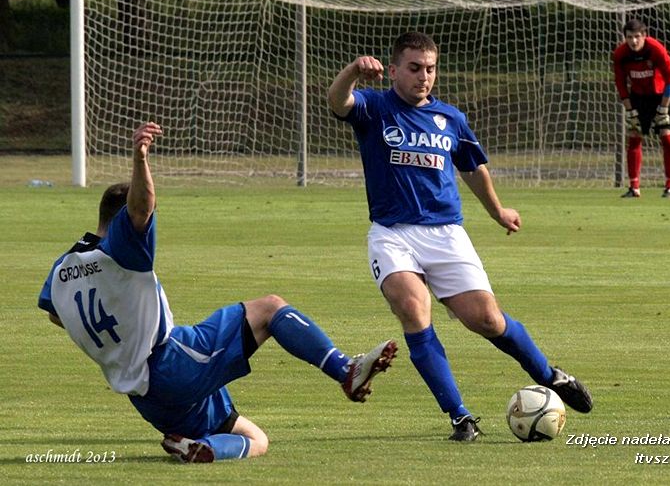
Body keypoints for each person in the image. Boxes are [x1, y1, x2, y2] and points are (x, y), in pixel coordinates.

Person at [37, 122, 397, 463]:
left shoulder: (62, 269)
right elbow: (142, 206)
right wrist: (139, 159)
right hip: (170, 363)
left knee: (257, 439)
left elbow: (57, 314)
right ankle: (345, 371)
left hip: (146, 398)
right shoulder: (121, 249)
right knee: (270, 309)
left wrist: (116, 335)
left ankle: (200, 448)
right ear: (121, 223)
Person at [327, 32, 593, 442]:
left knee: (487, 320)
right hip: (393, 234)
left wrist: (498, 211)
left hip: (447, 235)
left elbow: (472, 168)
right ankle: (460, 416)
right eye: (415, 68)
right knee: (415, 313)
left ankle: (549, 374)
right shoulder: (375, 107)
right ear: (395, 70)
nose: (424, 77)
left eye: (430, 69)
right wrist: (353, 72)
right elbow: (338, 102)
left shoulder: (450, 118)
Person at [613, 18, 670, 198]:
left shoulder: (655, 49)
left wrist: (663, 109)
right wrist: (629, 110)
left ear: (644, 36)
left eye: (637, 37)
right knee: (634, 136)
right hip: (638, 96)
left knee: (666, 136)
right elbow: (620, 84)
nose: (633, 41)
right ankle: (634, 187)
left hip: (661, 95)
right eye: (629, 37)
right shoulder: (620, 54)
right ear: (625, 38)